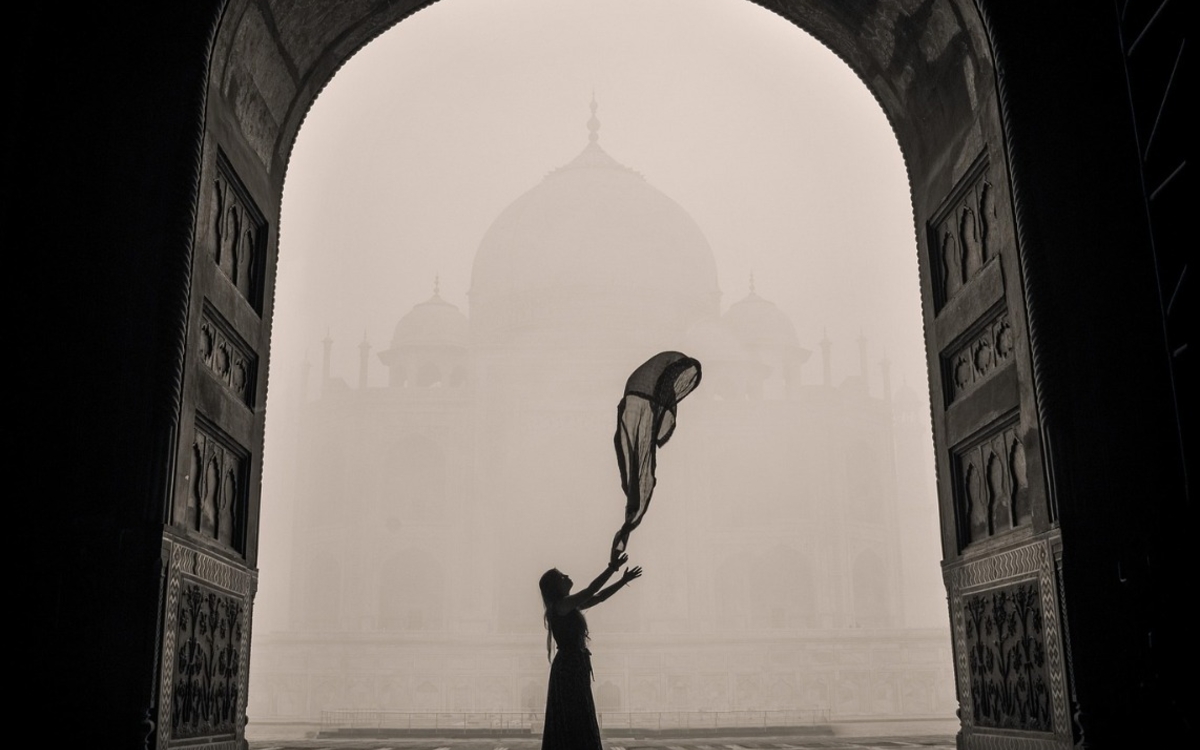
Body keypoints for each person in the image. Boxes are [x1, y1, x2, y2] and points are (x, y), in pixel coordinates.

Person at [538, 552, 642, 750]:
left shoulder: (566, 606)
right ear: (555, 587)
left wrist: (622, 581)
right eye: (562, 576)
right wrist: (612, 567)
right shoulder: (562, 606)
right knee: (576, 714)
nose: (567, 576)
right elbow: (591, 590)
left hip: (573, 665)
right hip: (570, 667)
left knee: (577, 714)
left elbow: (599, 596)